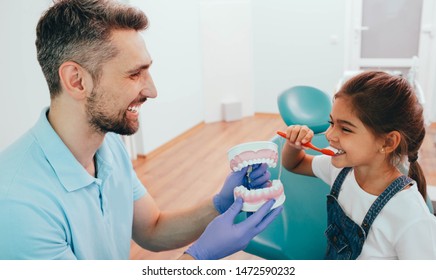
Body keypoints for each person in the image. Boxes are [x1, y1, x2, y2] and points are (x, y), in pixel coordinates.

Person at [0, 0, 282, 260]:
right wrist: (199, 258)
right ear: (77, 81)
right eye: (135, 74)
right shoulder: (19, 206)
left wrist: (219, 204)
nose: (152, 90)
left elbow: (152, 229)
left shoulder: (108, 146)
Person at [280, 70, 436, 260]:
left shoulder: (411, 216)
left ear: (387, 143)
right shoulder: (339, 170)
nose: (329, 135)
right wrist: (293, 145)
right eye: (331, 123)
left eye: (345, 128)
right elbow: (294, 164)